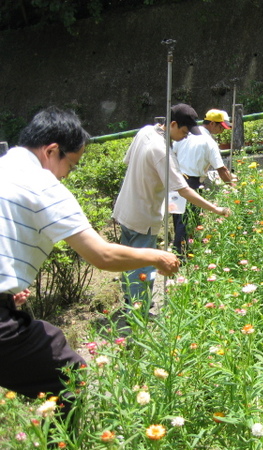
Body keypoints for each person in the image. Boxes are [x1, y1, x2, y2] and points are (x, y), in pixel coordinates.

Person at [0, 106, 180, 412]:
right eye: (71, 165)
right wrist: (156, 255)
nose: (67, 175)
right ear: (52, 150)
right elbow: (103, 255)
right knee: (71, 377)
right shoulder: (41, 183)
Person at [112, 103, 230, 305]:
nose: (185, 137)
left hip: (125, 209)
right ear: (173, 124)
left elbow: (128, 160)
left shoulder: (145, 131)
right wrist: (216, 209)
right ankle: (138, 312)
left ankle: (128, 299)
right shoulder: (162, 151)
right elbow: (183, 190)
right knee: (143, 266)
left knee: (127, 259)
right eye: (184, 131)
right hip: (144, 216)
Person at [171, 109, 235, 257]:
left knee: (178, 220)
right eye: (221, 127)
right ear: (212, 124)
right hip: (191, 183)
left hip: (175, 179)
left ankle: (180, 253)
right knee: (188, 222)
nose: (221, 131)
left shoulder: (184, 135)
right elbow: (221, 169)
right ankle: (183, 257)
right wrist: (233, 186)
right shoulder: (209, 142)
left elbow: (172, 153)